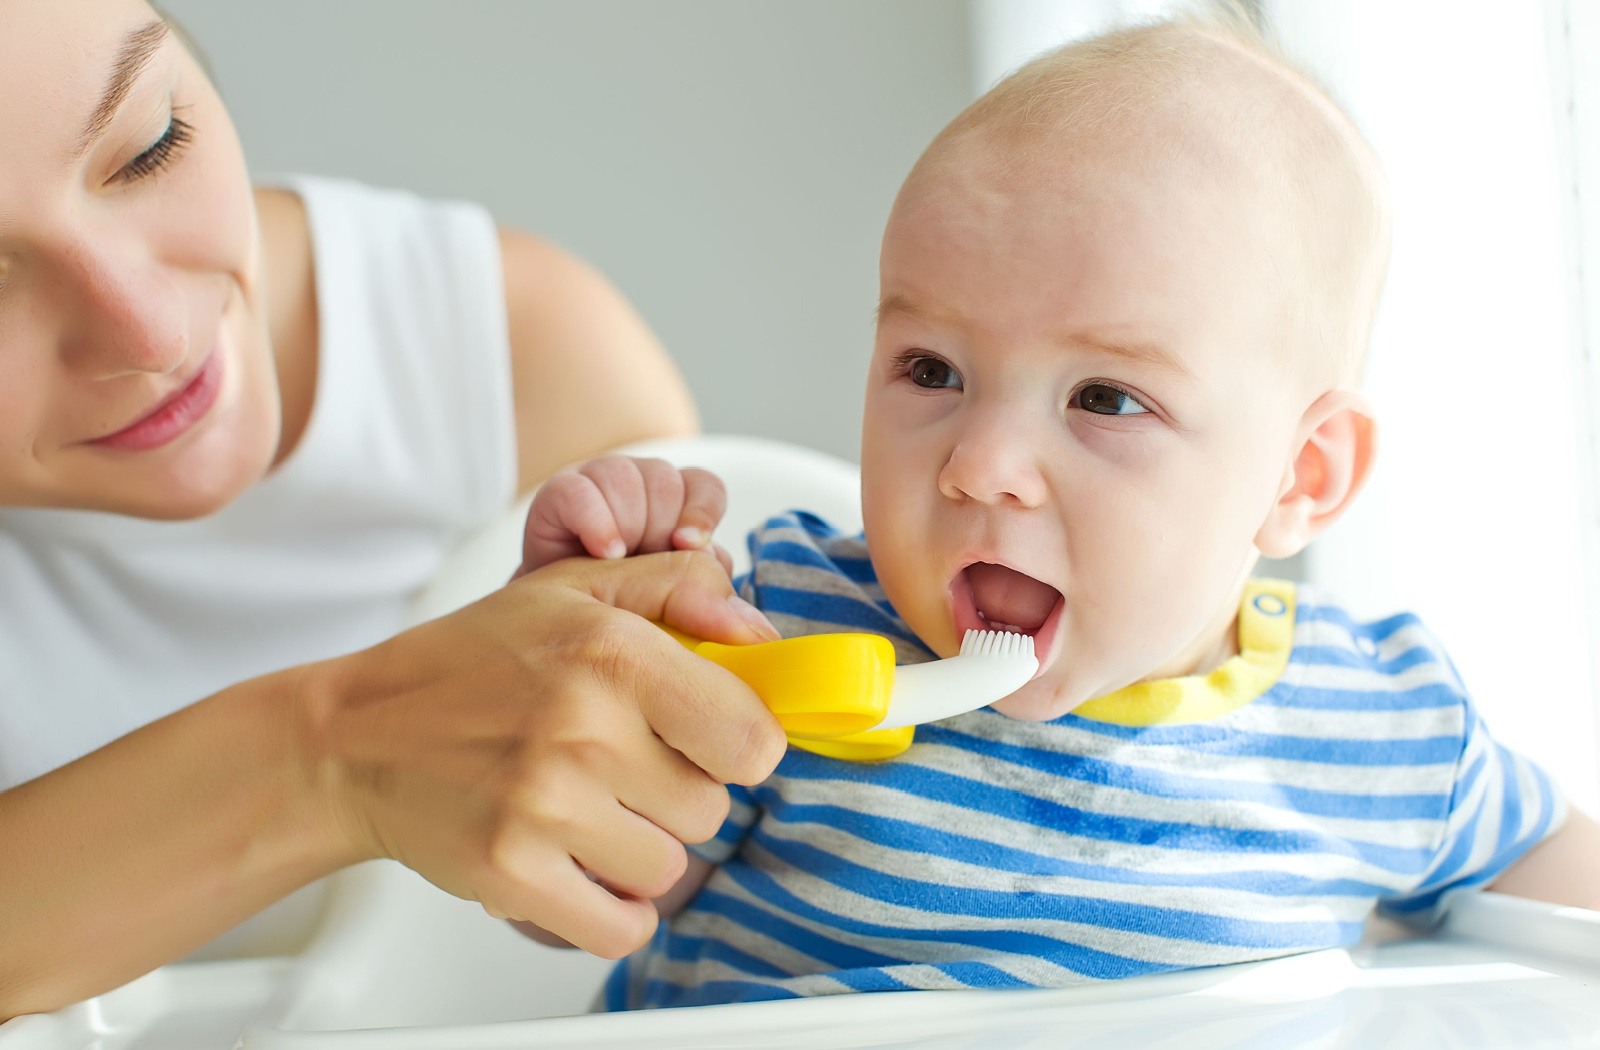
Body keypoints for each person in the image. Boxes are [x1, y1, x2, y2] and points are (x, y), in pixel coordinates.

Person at [511, 12, 1600, 1008]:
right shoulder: (782, 631)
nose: (980, 465)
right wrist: (594, 648)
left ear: (1300, 476)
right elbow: (564, 879)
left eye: (1104, 398)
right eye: (931, 370)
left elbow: (1560, 908)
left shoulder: (1386, 731)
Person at [0, 0, 788, 1020]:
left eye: (152, 148)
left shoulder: (516, 367)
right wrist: (334, 754)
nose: (148, 334)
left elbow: (699, 912)